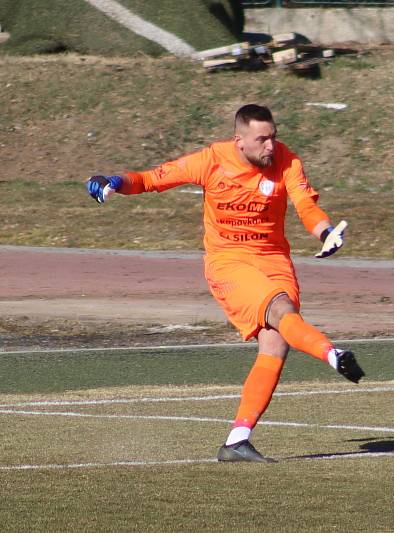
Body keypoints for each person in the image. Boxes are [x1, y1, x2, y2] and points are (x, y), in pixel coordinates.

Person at [85, 103, 364, 463]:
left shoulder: (287, 161)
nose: (270, 146)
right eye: (262, 139)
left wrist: (325, 232)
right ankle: (333, 354)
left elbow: (305, 205)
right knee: (280, 312)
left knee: (276, 344)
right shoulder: (211, 160)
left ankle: (237, 441)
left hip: (274, 259)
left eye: (273, 137)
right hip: (228, 261)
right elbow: (151, 179)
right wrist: (114, 182)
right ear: (240, 140)